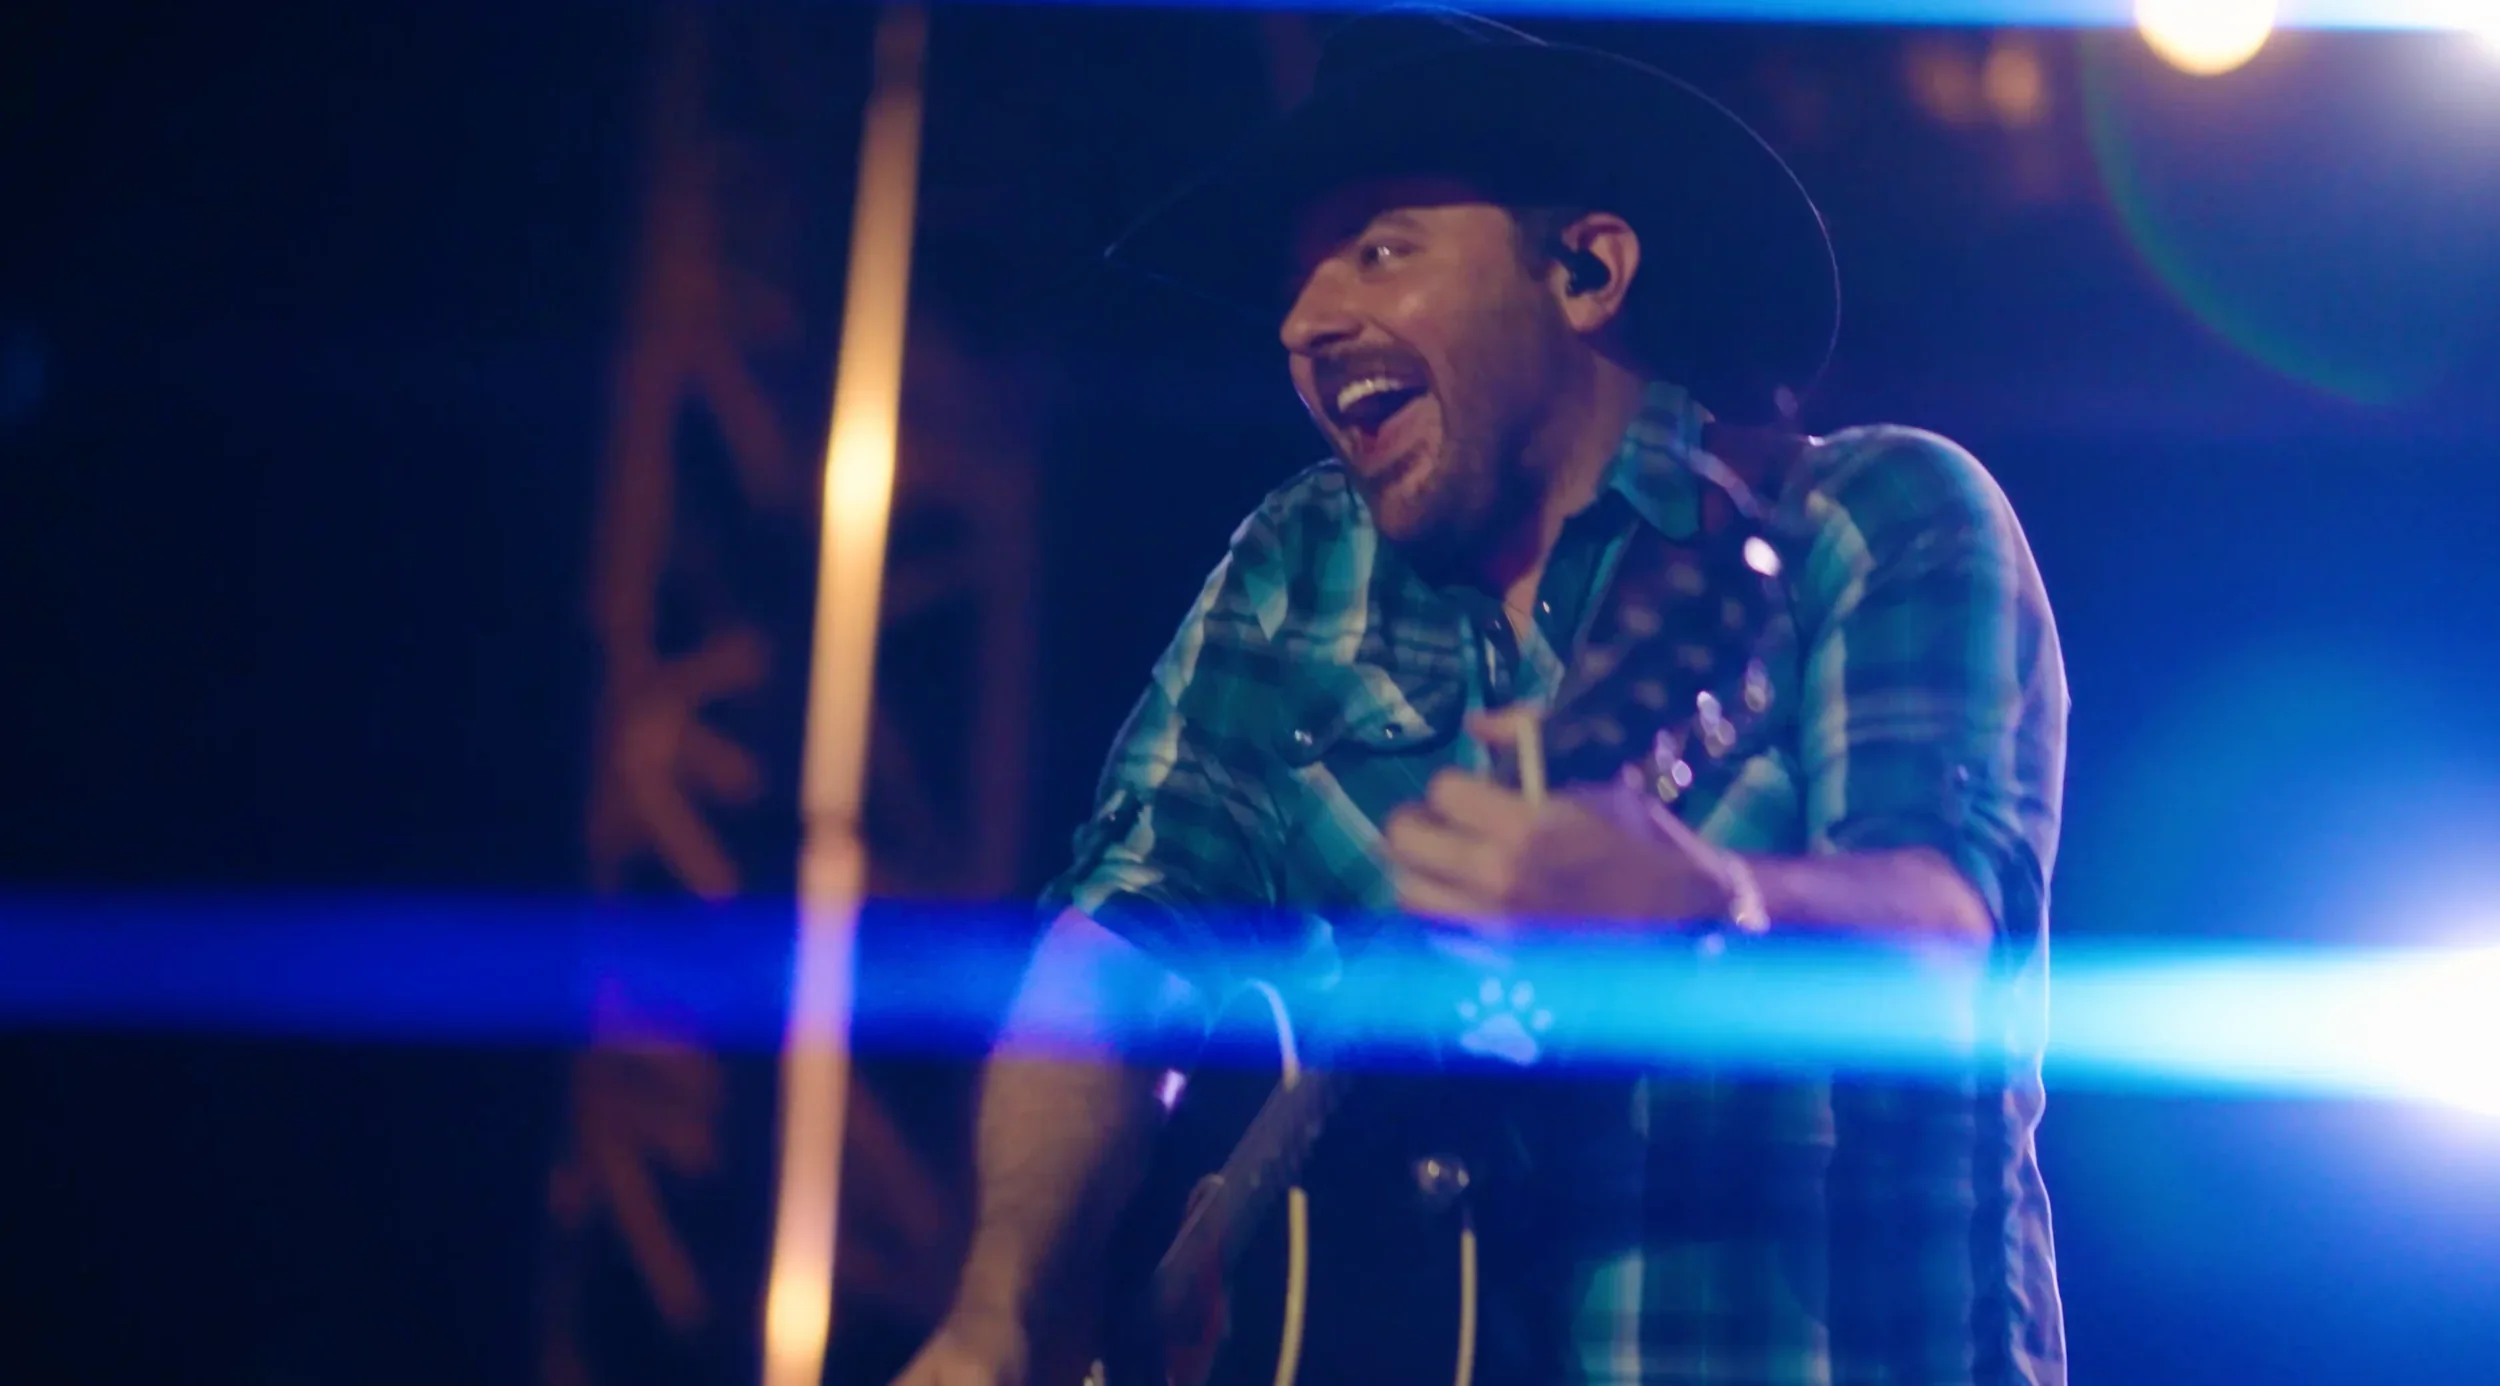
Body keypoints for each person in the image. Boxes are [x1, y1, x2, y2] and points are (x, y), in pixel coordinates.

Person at [889, 7, 2068, 1385]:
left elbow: (1954, 945)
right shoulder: (1295, 569)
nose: (1307, 320)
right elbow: (1120, 941)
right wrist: (1001, 1314)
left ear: (1586, 269)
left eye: (1379, 248)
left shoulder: (1869, 512)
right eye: (1297, 278)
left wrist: (1711, 904)